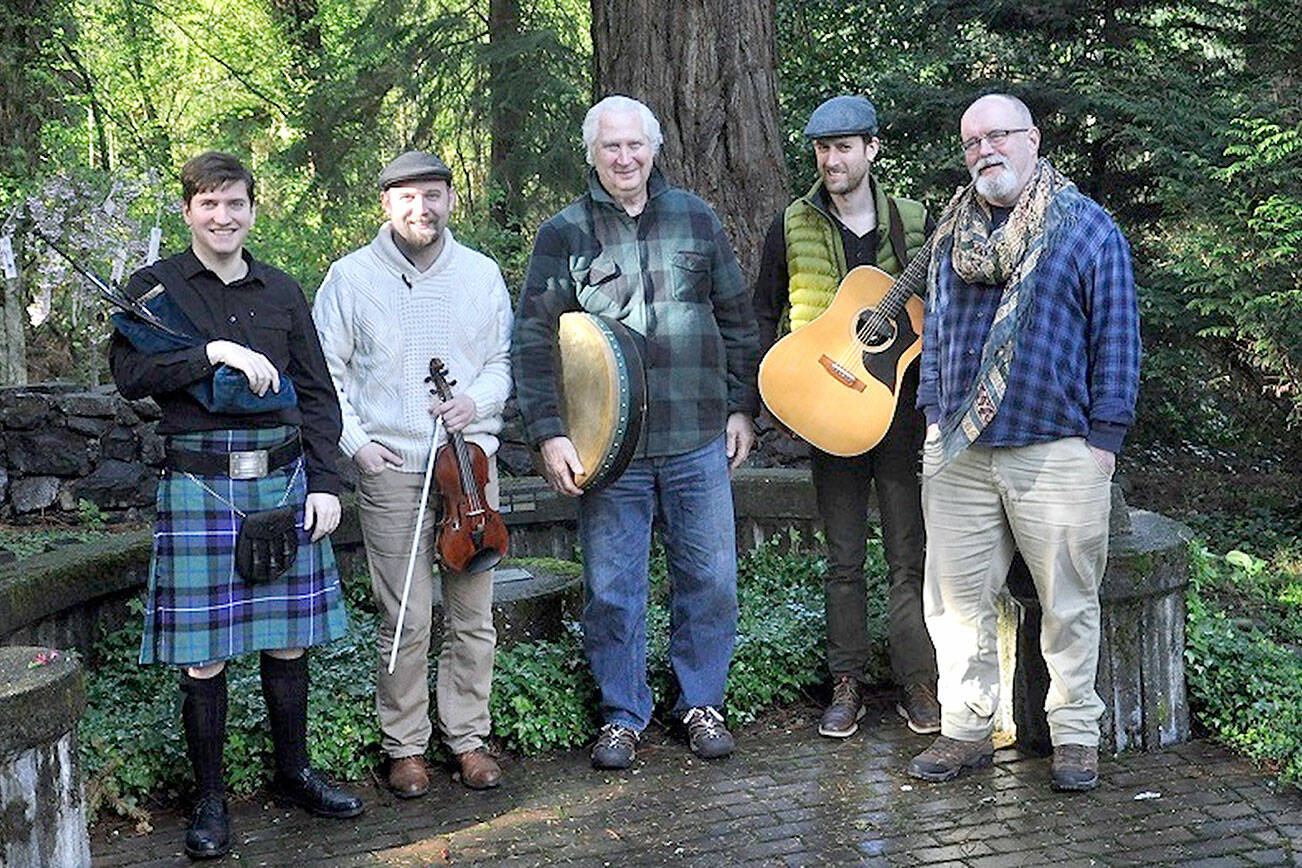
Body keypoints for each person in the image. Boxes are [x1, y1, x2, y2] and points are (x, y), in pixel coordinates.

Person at [110, 152, 362, 861]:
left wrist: (326, 482)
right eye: (209, 204)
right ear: (187, 210)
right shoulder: (154, 290)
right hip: (200, 487)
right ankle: (211, 799)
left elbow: (318, 392)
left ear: (253, 209)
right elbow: (130, 374)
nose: (223, 217)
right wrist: (212, 352)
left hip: (284, 480)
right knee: (205, 657)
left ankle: (294, 773)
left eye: (235, 204)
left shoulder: (281, 290)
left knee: (289, 640)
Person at [512, 95, 760, 769]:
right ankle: (622, 715)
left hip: (697, 437)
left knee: (710, 580)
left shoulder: (696, 218)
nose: (624, 158)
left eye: (635, 145)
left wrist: (743, 408)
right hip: (608, 451)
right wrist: (550, 433)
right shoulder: (564, 234)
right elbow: (533, 341)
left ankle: (701, 703)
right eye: (611, 146)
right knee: (613, 591)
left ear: (654, 150)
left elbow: (738, 319)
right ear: (591, 153)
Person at [907, 94, 1140, 791]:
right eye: (972, 141)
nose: (985, 150)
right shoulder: (952, 234)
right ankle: (964, 729)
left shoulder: (1085, 227)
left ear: (1033, 140)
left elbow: (1118, 336)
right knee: (954, 605)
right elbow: (935, 332)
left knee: (1069, 603)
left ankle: (1074, 736)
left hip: (1058, 452)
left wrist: (1103, 442)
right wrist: (932, 414)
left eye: (999, 135)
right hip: (959, 453)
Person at [313, 151, 512, 794]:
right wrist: (357, 446)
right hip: (392, 467)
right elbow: (324, 374)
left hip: (469, 466)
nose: (421, 208)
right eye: (407, 197)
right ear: (386, 203)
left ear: (450, 198)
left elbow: (502, 361)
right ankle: (405, 745)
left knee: (472, 614)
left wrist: (473, 402)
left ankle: (468, 737)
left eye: (432, 195)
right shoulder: (350, 278)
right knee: (407, 617)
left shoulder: (480, 274)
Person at [753, 94, 939, 739]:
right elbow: (763, 311)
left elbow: (944, 313)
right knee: (843, 558)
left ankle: (918, 680)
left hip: (900, 409)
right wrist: (760, 400)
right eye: (822, 149)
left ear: (871, 149)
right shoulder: (791, 223)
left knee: (908, 554)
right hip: (827, 407)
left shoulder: (914, 221)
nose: (831, 160)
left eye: (843, 147)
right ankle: (848, 682)